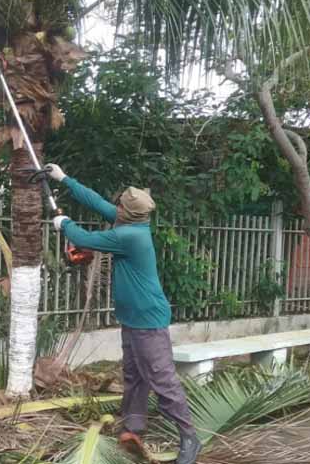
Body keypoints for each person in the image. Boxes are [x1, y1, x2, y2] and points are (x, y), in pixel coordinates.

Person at [45, 163, 201, 464]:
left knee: (162, 379)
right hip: (132, 318)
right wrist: (64, 178)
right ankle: (133, 428)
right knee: (134, 375)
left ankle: (189, 437)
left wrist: (64, 224)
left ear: (127, 212)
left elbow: (85, 240)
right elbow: (95, 201)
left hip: (148, 320)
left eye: (118, 205)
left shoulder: (130, 236)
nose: (114, 207)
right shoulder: (128, 221)